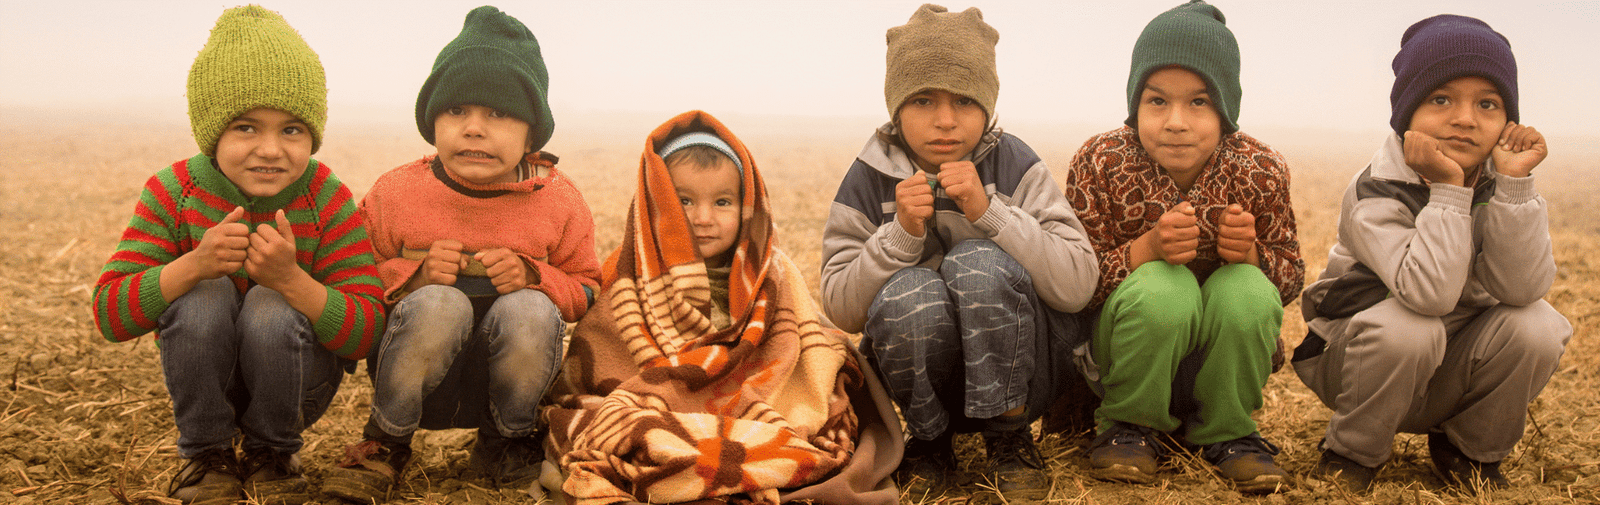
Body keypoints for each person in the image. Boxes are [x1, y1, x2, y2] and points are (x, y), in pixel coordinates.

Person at [91, 6, 385, 505]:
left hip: (297, 387)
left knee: (272, 302)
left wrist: (292, 281)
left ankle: (274, 453)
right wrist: (192, 267)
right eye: (246, 127)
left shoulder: (324, 196)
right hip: (205, 381)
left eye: (292, 129)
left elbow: (365, 332)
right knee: (202, 294)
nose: (270, 149)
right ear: (212, 132)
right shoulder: (174, 192)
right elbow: (110, 315)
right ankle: (206, 457)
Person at [542, 110, 902, 505]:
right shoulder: (629, 274)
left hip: (758, 400)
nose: (703, 218)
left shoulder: (771, 273)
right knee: (637, 431)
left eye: (723, 202)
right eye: (683, 200)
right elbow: (605, 358)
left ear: (748, 206)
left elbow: (800, 345)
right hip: (663, 402)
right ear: (655, 203)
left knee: (810, 422)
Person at [320, 6, 601, 502]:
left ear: (532, 134)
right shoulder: (397, 193)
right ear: (431, 122)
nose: (474, 128)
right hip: (415, 367)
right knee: (438, 303)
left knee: (532, 310)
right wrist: (413, 274)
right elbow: (354, 276)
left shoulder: (558, 200)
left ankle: (507, 443)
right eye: (457, 111)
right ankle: (386, 442)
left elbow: (586, 288)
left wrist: (538, 276)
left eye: (497, 113)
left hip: (511, 377)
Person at [820, 5, 1099, 502]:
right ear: (895, 105)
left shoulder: (1014, 164)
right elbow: (840, 307)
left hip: (1025, 372)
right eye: (924, 99)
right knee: (911, 293)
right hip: (921, 381)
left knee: (978, 264)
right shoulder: (869, 176)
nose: (945, 121)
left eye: (965, 101)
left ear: (988, 106)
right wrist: (899, 236)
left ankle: (1009, 437)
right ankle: (929, 442)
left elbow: (1078, 284)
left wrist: (992, 215)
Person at [1294, 14, 1570, 494]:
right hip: (1357, 361)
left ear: (1508, 122)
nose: (1465, 118)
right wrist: (1447, 191)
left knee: (1538, 324)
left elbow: (1521, 289)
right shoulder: (1376, 189)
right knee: (1410, 328)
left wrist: (1515, 187)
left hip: (1449, 363)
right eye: (1441, 99)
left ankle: (1467, 451)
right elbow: (1429, 295)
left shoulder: (1500, 182)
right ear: (1406, 114)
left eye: (1488, 103)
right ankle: (1352, 452)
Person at [1061, 0, 1304, 494]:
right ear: (1135, 103)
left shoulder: (1260, 169)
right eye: (1157, 101)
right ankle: (1130, 426)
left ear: (1226, 109)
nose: (1176, 121)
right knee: (1163, 286)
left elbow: (1291, 277)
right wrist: (1144, 250)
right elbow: (1073, 285)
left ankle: (1230, 432)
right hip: (1124, 358)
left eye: (1198, 102)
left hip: (1220, 364)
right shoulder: (1101, 160)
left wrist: (1252, 256)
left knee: (1248, 290)